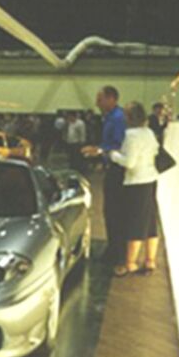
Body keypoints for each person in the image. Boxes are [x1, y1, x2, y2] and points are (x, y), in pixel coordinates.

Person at [107, 102, 160, 277]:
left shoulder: (131, 135)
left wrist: (114, 155)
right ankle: (150, 261)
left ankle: (130, 264)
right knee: (151, 222)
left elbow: (129, 163)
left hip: (136, 183)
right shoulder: (149, 132)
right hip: (151, 180)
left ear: (129, 117)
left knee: (135, 223)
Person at [81, 86, 127, 265]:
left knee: (115, 211)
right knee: (110, 211)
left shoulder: (118, 119)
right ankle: (114, 247)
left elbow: (120, 145)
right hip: (112, 168)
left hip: (118, 170)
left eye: (100, 99)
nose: (97, 103)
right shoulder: (110, 118)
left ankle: (117, 252)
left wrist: (99, 151)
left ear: (111, 99)